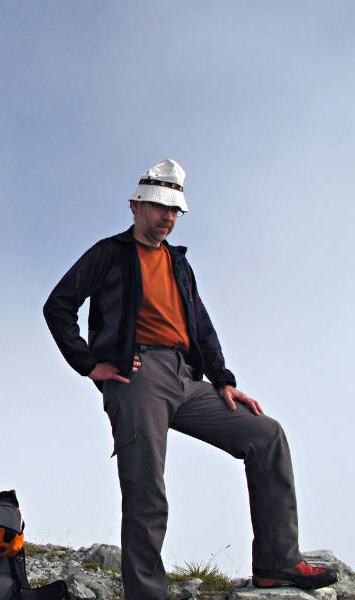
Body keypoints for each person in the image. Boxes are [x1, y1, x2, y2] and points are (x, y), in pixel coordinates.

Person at [42, 159, 336, 600]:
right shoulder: (109, 254)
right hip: (136, 377)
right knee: (146, 489)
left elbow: (199, 321)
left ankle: (276, 564)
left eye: (175, 210)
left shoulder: (178, 263)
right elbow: (58, 306)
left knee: (266, 435)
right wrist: (89, 365)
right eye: (160, 207)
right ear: (135, 206)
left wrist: (223, 378)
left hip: (186, 376)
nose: (168, 217)